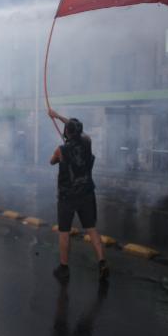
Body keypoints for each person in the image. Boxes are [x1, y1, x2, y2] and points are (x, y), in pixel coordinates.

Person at [48, 108, 108, 282]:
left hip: (67, 197)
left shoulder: (60, 150)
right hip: (87, 193)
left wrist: (58, 119)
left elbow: (52, 162)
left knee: (64, 232)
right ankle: (102, 263)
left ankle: (64, 267)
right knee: (92, 229)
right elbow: (76, 129)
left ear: (67, 132)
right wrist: (58, 117)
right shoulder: (87, 141)